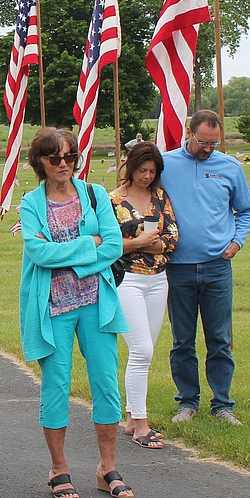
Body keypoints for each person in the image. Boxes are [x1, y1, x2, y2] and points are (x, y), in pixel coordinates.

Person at [18, 127, 131, 498]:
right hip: (53, 308)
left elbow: (114, 245)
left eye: (71, 157)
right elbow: (39, 254)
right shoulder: (31, 204)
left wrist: (71, 252)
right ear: (40, 163)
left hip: (97, 304)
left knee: (106, 384)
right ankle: (59, 468)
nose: (64, 164)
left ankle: (107, 467)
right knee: (57, 386)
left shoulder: (96, 195)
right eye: (55, 158)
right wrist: (89, 245)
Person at [161, 110, 250, 426]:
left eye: (214, 143)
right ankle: (187, 403)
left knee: (219, 338)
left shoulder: (230, 167)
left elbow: (245, 210)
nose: (208, 149)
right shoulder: (166, 164)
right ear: (189, 133)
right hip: (178, 268)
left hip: (217, 266)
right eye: (203, 142)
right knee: (182, 340)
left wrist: (237, 242)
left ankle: (223, 405)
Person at [109, 141, 179, 448]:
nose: (147, 176)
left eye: (152, 171)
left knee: (147, 350)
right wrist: (142, 244)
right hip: (128, 280)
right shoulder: (112, 201)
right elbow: (109, 243)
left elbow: (173, 237)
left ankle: (131, 418)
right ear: (130, 167)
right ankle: (141, 424)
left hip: (158, 280)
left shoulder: (160, 198)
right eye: (142, 170)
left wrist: (144, 243)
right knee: (141, 351)